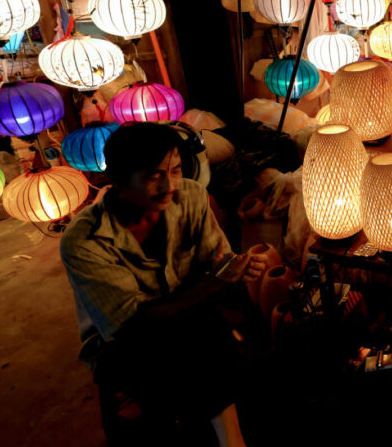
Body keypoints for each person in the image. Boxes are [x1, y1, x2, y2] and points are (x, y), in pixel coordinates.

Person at [61, 122, 265, 447]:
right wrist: (214, 282)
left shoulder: (191, 196)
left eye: (176, 170)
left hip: (193, 315)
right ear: (117, 179)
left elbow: (215, 260)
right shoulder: (85, 240)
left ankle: (227, 432)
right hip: (122, 341)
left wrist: (234, 268)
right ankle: (229, 437)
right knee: (198, 337)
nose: (169, 185)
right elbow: (133, 321)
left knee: (225, 328)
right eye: (154, 175)